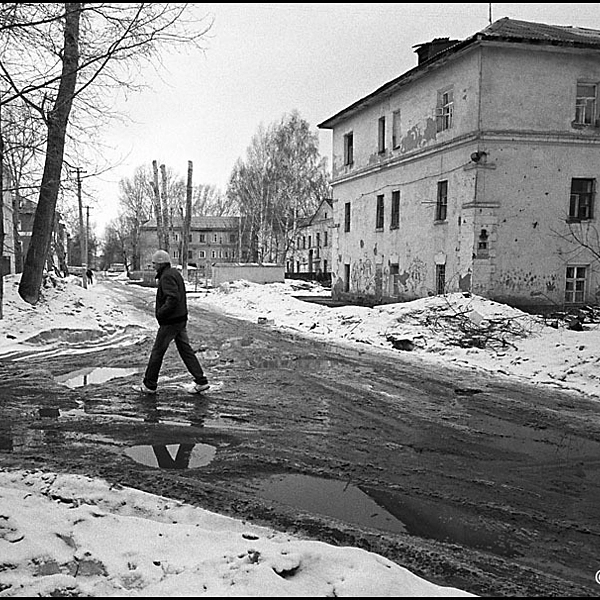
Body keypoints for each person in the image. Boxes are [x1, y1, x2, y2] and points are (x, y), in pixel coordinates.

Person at [137, 250, 210, 395]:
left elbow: (173, 298)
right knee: (185, 350)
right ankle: (201, 381)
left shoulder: (166, 277)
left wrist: (161, 313)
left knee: (157, 352)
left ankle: (149, 385)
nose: (153, 266)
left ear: (160, 263)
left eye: (154, 263)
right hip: (179, 319)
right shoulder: (174, 273)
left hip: (171, 321)